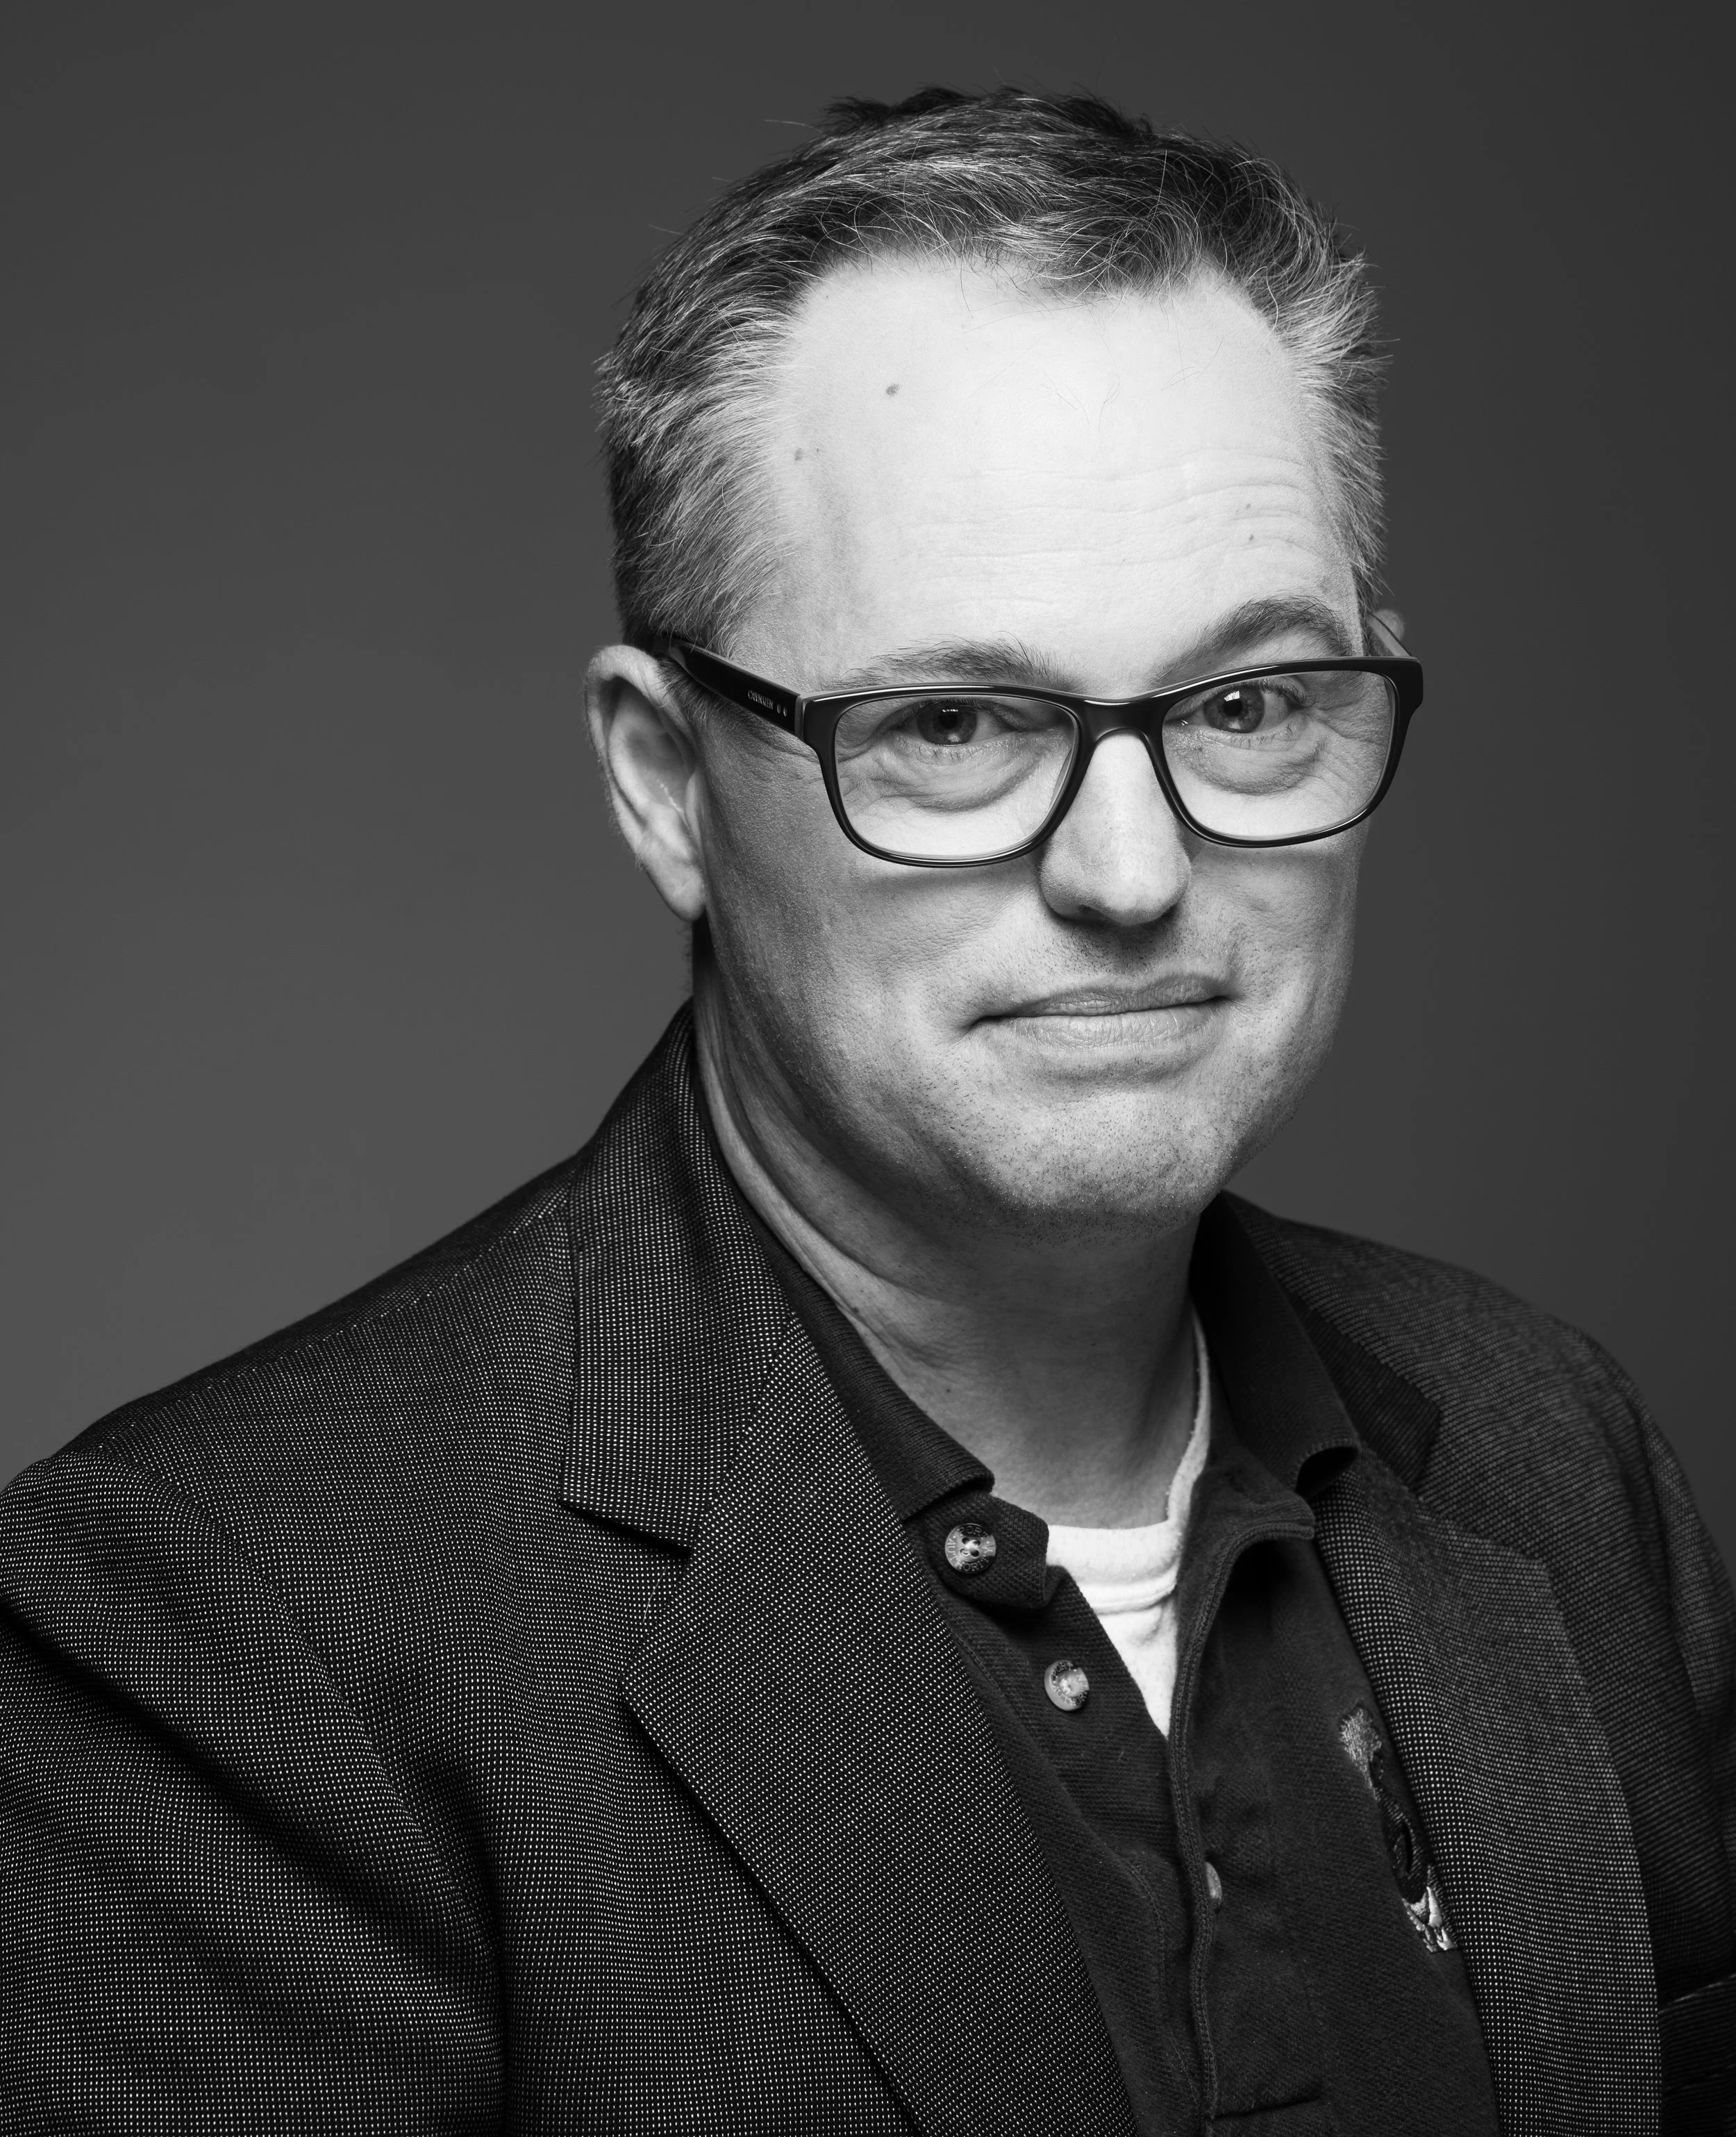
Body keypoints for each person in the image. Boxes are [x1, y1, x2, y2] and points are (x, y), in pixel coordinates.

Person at [1, 86, 1730, 2137]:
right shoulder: (221, 1627)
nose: (1129, 868)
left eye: (1247, 701)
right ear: (662, 780)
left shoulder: (1547, 1444)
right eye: (953, 723)